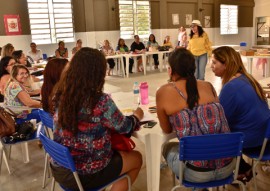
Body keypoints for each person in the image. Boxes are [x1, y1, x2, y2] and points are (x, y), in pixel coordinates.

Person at [50, 47, 143, 191]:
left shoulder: (60, 94)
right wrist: (137, 116)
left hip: (61, 168)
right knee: (137, 158)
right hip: (84, 173)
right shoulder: (100, 101)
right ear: (97, 73)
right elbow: (125, 127)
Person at [156, 48, 234, 187]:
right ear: (194, 67)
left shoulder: (163, 92)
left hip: (196, 174)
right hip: (228, 167)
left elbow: (167, 130)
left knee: (167, 147)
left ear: (171, 69)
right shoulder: (208, 86)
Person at [211, 46, 270, 182]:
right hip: (264, 136)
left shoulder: (231, 87)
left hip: (253, 140)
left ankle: (236, 171)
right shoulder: (246, 78)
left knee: (215, 134)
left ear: (226, 64)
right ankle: (241, 168)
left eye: (214, 63)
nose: (211, 66)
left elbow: (220, 121)